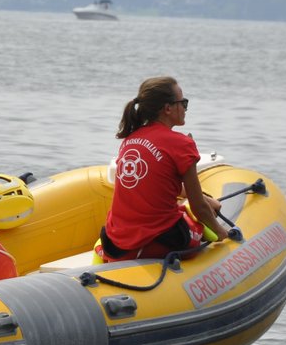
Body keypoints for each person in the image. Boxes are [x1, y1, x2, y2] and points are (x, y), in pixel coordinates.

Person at [99, 76, 230, 262]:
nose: (185, 108)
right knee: (194, 223)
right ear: (168, 108)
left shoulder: (130, 139)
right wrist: (223, 234)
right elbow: (198, 208)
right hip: (156, 243)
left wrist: (207, 200)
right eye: (183, 103)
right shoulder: (182, 144)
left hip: (115, 244)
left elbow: (158, 184)